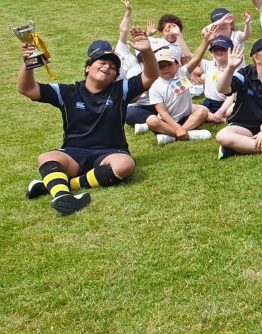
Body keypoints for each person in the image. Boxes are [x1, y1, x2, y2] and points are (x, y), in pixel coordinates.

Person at [19, 30, 159, 215]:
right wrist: (29, 62)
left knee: (125, 165)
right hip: (73, 154)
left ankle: (64, 185)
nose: (107, 67)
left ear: (115, 75)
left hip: (110, 152)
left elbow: (151, 76)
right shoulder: (68, 92)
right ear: (88, 68)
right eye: (102, 63)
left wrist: (147, 51)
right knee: (46, 157)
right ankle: (62, 196)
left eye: (113, 67)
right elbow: (27, 88)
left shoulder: (121, 90)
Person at [128, 30, 216, 145]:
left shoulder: (183, 74)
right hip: (167, 121)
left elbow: (196, 59)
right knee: (152, 121)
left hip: (186, 117)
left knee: (202, 112)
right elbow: (163, 112)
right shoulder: (155, 86)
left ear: (177, 64)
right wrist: (177, 128)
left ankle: (172, 136)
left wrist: (206, 41)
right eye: (160, 66)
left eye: (169, 64)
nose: (165, 69)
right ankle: (187, 134)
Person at [215, 38, 262, 159]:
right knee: (222, 135)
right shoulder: (245, 74)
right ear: (256, 58)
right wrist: (230, 68)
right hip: (243, 127)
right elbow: (223, 89)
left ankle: (237, 147)